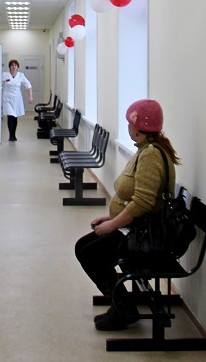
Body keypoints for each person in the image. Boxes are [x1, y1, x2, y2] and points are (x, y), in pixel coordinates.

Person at [74, 98, 179, 331]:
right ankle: (120, 302)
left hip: (143, 235)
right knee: (83, 247)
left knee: (90, 254)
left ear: (138, 127)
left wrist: (113, 225)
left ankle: (123, 308)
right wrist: (111, 219)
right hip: (134, 227)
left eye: (129, 123)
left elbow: (143, 202)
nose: (128, 127)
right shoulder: (146, 150)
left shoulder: (151, 155)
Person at [1, 59, 34, 141]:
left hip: (17, 99)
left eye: (15, 65)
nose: (13, 66)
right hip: (7, 98)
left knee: (15, 116)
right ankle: (11, 135)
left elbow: (28, 85)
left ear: (17, 67)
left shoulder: (21, 75)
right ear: (9, 67)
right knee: (10, 116)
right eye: (12, 65)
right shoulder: (5, 75)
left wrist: (30, 97)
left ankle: (14, 134)